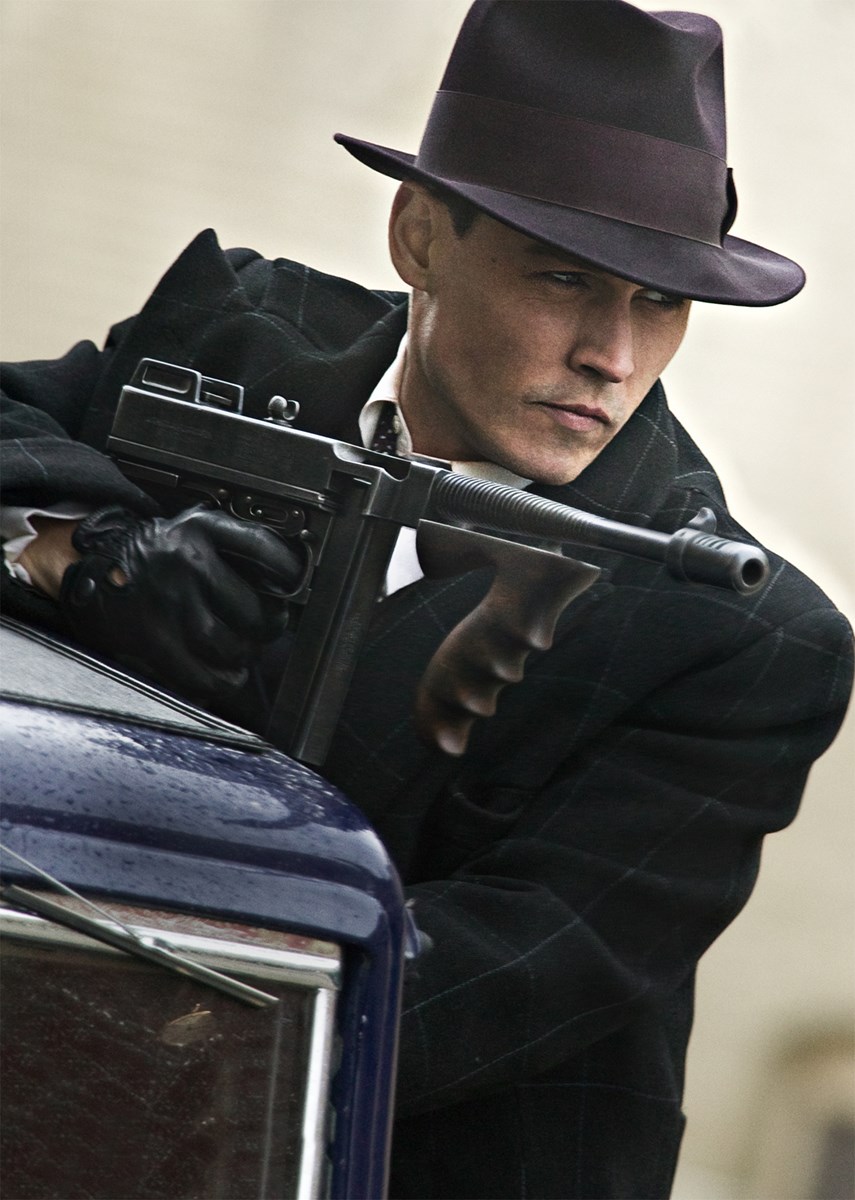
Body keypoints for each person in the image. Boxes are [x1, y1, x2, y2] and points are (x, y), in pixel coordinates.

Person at [1, 2, 852, 1196]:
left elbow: (506, 975)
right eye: (564, 277)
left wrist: (102, 1020)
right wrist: (76, 552)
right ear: (418, 236)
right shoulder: (236, 339)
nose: (610, 354)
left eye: (660, 302)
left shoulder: (738, 636)